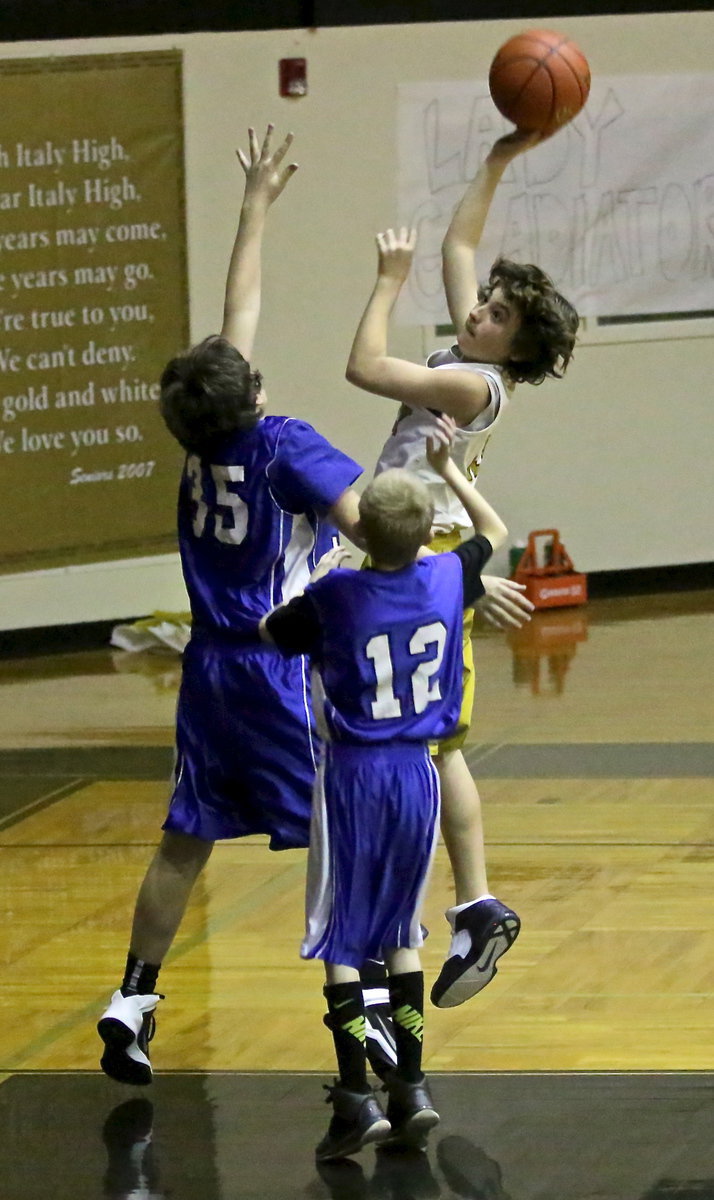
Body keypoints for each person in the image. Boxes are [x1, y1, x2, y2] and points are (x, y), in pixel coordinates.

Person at [96, 125, 378, 1086]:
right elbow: (367, 521)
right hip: (276, 667)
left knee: (186, 838)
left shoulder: (201, 437)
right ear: (253, 393)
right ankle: (363, 1024)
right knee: (337, 831)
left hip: (206, 670)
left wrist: (255, 207)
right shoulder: (284, 443)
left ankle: (132, 996)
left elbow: (233, 318)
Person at [345, 130, 579, 1009]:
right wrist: (502, 157)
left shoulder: (476, 387)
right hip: (411, 557)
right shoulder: (467, 357)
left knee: (435, 743)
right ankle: (452, 902)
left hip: (425, 563)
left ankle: (472, 901)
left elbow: (364, 366)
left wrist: (384, 287)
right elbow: (459, 245)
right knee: (414, 737)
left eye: (495, 316)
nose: (476, 310)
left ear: (514, 350)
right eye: (483, 304)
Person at [260, 412, 508, 1161]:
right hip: (419, 774)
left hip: (353, 778)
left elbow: (275, 633)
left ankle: (355, 1097)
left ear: (362, 532)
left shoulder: (336, 598)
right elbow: (493, 528)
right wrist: (454, 469)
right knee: (400, 930)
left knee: (341, 932)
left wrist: (322, 567)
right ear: (427, 529)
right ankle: (414, 1087)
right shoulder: (445, 574)